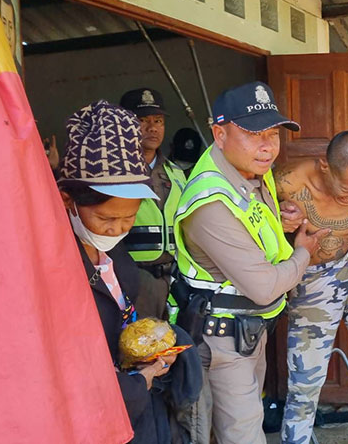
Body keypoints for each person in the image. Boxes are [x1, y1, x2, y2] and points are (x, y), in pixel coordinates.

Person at [171, 81, 328, 444]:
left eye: (273, 134)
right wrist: (304, 251)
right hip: (222, 341)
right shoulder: (210, 200)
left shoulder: (251, 171)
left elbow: (254, 227)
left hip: (248, 333)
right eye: (253, 134)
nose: (267, 145)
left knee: (246, 426)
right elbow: (263, 286)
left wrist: (282, 222)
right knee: (241, 436)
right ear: (219, 134)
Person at [58, 100, 201, 443]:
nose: (118, 229)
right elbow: (68, 366)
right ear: (67, 201)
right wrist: (139, 382)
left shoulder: (116, 256)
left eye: (129, 217)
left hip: (137, 406)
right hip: (99, 414)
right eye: (106, 219)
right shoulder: (56, 267)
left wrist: (152, 352)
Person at [274, 130, 348, 443]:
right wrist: (277, 219)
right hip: (313, 282)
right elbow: (248, 217)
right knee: (305, 381)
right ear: (325, 166)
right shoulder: (287, 181)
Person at [120, 88, 188, 320]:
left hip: (174, 280)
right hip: (132, 279)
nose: (153, 128)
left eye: (158, 121)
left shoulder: (175, 173)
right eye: (143, 120)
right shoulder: (115, 174)